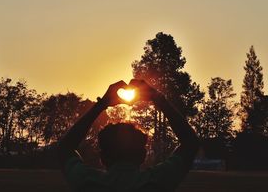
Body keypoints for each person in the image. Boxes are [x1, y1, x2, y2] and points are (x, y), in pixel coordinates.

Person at [57, 79, 200, 192]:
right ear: (142, 155)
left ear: (103, 157)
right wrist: (158, 98)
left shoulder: (87, 182)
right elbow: (190, 144)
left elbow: (64, 149)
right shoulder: (157, 181)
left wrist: (102, 104)